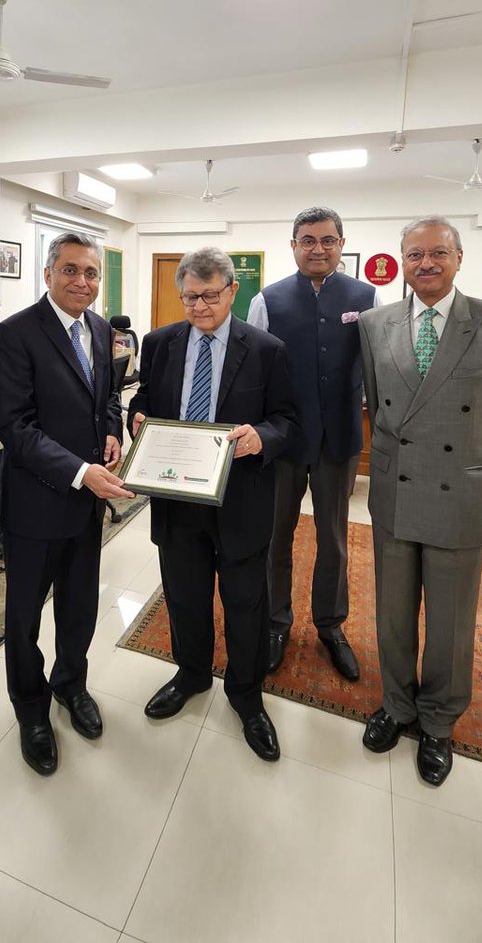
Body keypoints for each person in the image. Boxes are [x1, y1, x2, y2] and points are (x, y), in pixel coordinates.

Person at [358, 215, 482, 786]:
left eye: (438, 253)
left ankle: (437, 719)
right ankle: (397, 704)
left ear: (460, 258)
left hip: (461, 489)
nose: (425, 264)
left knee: (452, 621)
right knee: (392, 609)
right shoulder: (374, 323)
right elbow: (379, 405)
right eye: (414, 255)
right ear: (400, 262)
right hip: (396, 489)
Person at [128, 247, 297, 762]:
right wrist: (137, 420)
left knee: (246, 602)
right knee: (184, 594)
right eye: (189, 297)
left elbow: (289, 420)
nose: (199, 306)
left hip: (240, 499)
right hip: (178, 498)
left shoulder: (266, 349)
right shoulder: (158, 344)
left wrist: (260, 437)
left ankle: (246, 696)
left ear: (232, 291)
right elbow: (143, 401)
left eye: (209, 296)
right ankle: (192, 674)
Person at [0, 231, 126, 776]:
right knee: (24, 616)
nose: (82, 282)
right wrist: (80, 471)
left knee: (79, 604)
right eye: (70, 270)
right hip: (36, 503)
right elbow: (14, 427)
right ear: (47, 274)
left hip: (85, 505)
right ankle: (31, 708)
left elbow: (108, 394)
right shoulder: (16, 333)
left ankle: (72, 684)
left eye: (91, 273)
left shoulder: (98, 328)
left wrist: (112, 430)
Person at [247, 207, 377, 680]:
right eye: (307, 240)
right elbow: (254, 372)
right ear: (294, 245)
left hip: (339, 438)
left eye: (327, 240)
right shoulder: (268, 299)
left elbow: (373, 367)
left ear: (341, 244)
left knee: (334, 540)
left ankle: (331, 625)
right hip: (282, 441)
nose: (317, 248)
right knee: (275, 537)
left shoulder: (366, 297)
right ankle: (276, 622)